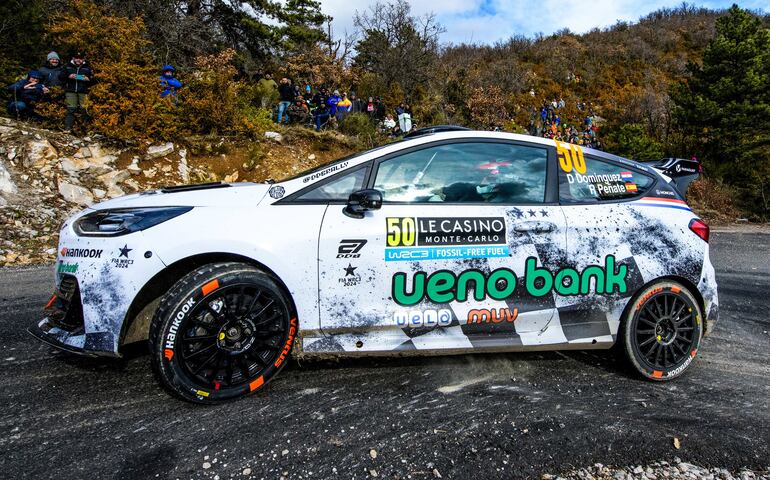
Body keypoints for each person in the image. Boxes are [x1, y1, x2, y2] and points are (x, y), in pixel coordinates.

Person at [59, 52, 93, 132]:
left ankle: (86, 130)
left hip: (84, 91)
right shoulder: (67, 66)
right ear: (73, 58)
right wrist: (68, 76)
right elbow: (60, 77)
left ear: (83, 59)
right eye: (76, 58)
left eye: (80, 58)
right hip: (70, 91)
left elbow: (94, 79)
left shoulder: (88, 67)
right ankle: (68, 128)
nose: (78, 60)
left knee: (85, 109)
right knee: (71, 109)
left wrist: (88, 80)